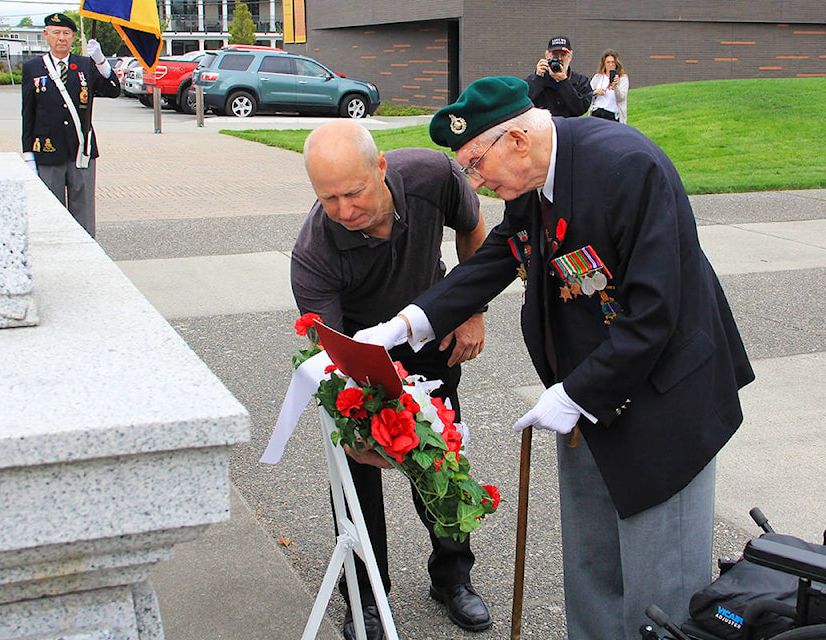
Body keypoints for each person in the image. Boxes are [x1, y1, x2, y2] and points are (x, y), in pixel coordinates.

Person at [354, 76, 755, 640]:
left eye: (473, 164)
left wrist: (573, 394)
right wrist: (405, 325)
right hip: (585, 396)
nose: (475, 182)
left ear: (516, 140)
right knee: (590, 566)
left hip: (666, 405)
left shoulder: (627, 166)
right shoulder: (529, 182)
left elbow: (655, 312)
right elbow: (497, 256)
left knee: (659, 587)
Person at [291, 120, 492, 640]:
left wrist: (470, 309)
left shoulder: (432, 176)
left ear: (380, 167)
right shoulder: (313, 253)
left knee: (441, 457)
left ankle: (452, 578)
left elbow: (474, 229)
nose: (343, 210)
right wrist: (360, 425)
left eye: (353, 192)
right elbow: (331, 357)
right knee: (356, 475)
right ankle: (366, 600)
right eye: (327, 197)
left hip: (430, 338)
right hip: (359, 360)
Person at [21, 13, 121, 238]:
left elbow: (113, 90)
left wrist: (101, 61)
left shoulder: (85, 65)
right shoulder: (33, 68)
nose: (61, 38)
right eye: (56, 33)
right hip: (48, 149)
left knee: (83, 211)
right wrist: (28, 154)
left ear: (74, 37)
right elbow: (28, 112)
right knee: (51, 211)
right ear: (46, 35)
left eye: (66, 33)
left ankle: (86, 253)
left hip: (81, 151)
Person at [524, 35, 592, 118]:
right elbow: (523, 102)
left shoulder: (581, 80)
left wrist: (564, 82)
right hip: (543, 126)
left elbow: (580, 109)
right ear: (547, 56)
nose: (559, 59)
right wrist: (538, 78)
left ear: (570, 56)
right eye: (555, 55)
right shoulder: (535, 78)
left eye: (563, 55)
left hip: (569, 127)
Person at [589, 49, 629, 122]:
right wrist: (596, 91)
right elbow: (588, 93)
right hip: (597, 111)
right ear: (604, 64)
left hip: (612, 114)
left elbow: (621, 98)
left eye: (613, 62)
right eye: (608, 62)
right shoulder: (598, 77)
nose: (610, 64)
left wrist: (616, 86)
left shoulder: (622, 78)